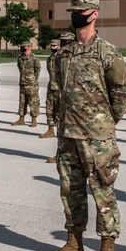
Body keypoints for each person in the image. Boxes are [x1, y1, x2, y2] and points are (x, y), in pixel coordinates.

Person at [42, 0, 126, 251]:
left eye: (82, 12)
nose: (76, 15)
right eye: (74, 11)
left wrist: (104, 122)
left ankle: (108, 250)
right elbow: (56, 92)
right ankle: (74, 245)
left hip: (97, 138)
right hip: (68, 136)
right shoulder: (62, 55)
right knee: (71, 191)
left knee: (103, 191)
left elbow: (122, 94)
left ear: (94, 15)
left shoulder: (108, 53)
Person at [43, 33, 74, 163]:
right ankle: (61, 154)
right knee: (62, 126)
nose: (62, 45)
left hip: (72, 96)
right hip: (58, 91)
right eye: (61, 42)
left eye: (65, 42)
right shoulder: (57, 58)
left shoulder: (75, 58)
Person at [12, 43, 41, 126]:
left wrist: (33, 80)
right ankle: (21, 118)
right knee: (22, 101)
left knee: (33, 102)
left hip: (31, 84)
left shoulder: (34, 58)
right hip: (22, 83)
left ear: (29, 47)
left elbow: (37, 70)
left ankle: (34, 119)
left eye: (23, 46)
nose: (22, 48)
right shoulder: (20, 58)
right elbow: (19, 68)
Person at [39, 36, 62, 139]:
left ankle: (61, 132)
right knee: (49, 108)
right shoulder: (50, 59)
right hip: (51, 87)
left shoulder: (63, 59)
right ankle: (50, 129)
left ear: (59, 46)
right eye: (51, 45)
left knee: (60, 111)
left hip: (60, 89)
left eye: (54, 45)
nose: (52, 47)